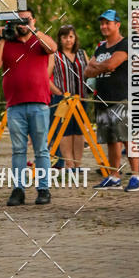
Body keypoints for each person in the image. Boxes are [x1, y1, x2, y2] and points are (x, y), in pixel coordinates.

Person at [0, 8, 57, 206]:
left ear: (33, 20)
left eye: (25, 19)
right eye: (18, 20)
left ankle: (43, 189)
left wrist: (33, 29)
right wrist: (3, 38)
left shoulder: (39, 40)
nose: (22, 23)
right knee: (18, 150)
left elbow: (52, 48)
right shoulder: (8, 43)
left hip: (39, 103)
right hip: (15, 105)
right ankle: (18, 189)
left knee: (41, 150)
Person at [84, 10, 139, 191]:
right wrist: (99, 67)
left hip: (121, 97)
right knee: (111, 139)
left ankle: (136, 176)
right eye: (102, 23)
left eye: (107, 23)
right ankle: (114, 176)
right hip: (102, 98)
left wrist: (98, 67)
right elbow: (87, 71)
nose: (104, 26)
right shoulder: (101, 47)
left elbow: (111, 65)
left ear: (117, 24)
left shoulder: (125, 44)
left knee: (126, 138)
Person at [49, 25, 90, 170]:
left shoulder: (82, 53)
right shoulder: (54, 55)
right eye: (65, 37)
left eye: (71, 36)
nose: (68, 40)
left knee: (79, 131)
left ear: (75, 38)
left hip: (81, 99)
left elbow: (90, 71)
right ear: (60, 39)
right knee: (65, 131)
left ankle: (78, 164)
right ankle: (69, 164)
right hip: (63, 100)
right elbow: (45, 77)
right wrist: (58, 92)